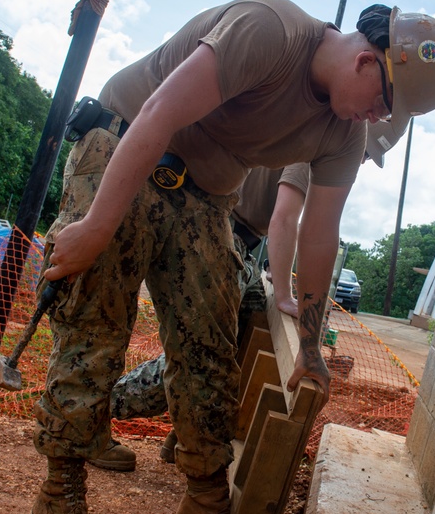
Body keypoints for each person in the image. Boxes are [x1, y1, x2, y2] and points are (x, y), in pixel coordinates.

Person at [25, 0, 435, 514]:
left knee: (209, 345)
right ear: (365, 62)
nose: (376, 119)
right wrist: (95, 225)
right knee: (94, 328)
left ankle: (206, 501)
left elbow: (319, 234)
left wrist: (309, 346)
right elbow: (160, 110)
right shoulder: (270, 31)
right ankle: (57, 502)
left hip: (206, 199)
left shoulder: (342, 136)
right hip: (124, 146)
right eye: (383, 105)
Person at [98, 120, 397, 472]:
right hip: (218, 229)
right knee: (199, 354)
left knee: (245, 328)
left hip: (234, 236)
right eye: (365, 153)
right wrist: (285, 293)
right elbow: (285, 219)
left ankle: (181, 436)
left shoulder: (316, 135)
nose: (360, 161)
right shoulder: (319, 142)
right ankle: (99, 408)